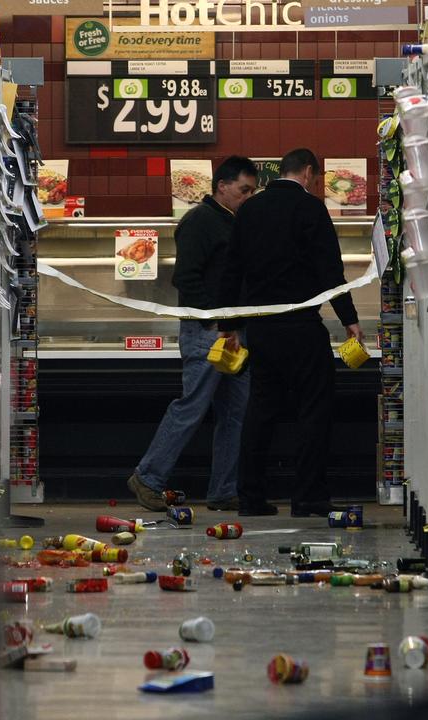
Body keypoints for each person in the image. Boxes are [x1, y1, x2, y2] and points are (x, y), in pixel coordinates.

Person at [216, 148, 365, 518]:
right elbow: (331, 270)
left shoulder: (249, 210)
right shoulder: (312, 209)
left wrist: (228, 326)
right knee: (313, 410)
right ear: (310, 173)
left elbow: (231, 270)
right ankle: (308, 496)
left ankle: (250, 497)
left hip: (261, 328)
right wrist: (349, 319)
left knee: (260, 409)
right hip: (301, 328)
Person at [127, 156, 259, 512]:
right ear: (222, 186)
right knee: (192, 406)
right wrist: (211, 321)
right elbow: (185, 278)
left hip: (233, 331)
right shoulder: (200, 221)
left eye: (253, 191)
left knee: (236, 412)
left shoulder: (233, 222)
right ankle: (148, 477)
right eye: (244, 190)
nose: (248, 197)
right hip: (208, 330)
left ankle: (223, 489)